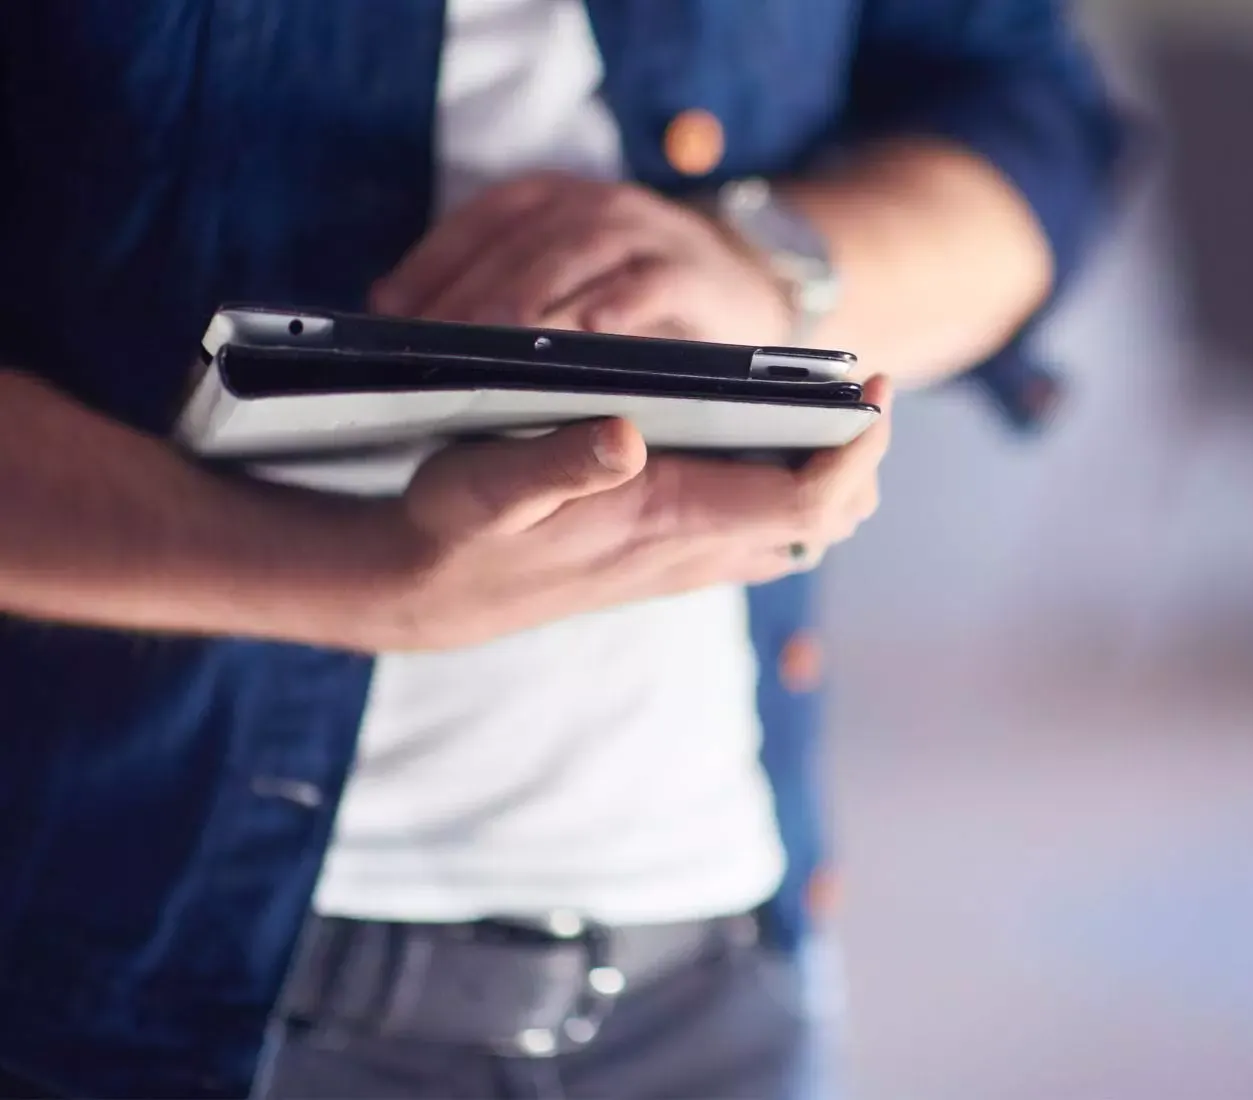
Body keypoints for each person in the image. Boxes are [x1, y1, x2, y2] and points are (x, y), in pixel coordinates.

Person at [0, 1, 1126, 1097]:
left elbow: (1032, 123)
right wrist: (344, 577)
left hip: (720, 971)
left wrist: (769, 271)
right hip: (124, 986)